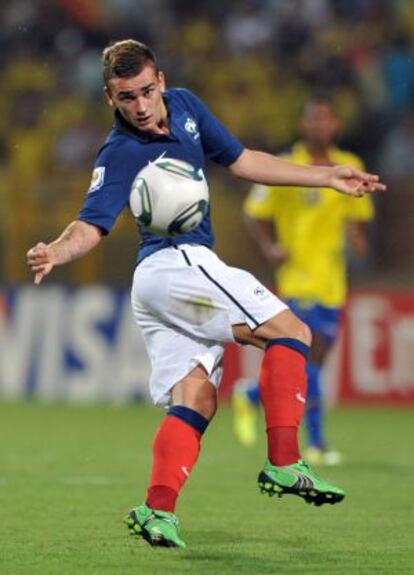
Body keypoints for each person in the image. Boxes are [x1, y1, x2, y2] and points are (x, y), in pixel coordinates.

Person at [26, 40, 385, 549]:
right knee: (292, 332)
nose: (141, 106)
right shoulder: (121, 151)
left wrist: (325, 176)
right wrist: (57, 252)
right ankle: (284, 462)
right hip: (177, 263)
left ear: (162, 82)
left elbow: (241, 161)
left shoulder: (189, 108)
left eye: (147, 91)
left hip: (158, 286)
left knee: (196, 397)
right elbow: (91, 222)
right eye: (127, 98)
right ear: (110, 98)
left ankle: (158, 511)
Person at [232, 95, 374, 465]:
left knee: (312, 364)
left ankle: (250, 395)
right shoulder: (286, 167)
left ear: (336, 126)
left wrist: (358, 237)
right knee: (308, 358)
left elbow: (356, 212)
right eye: (315, 119)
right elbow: (253, 211)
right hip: (298, 277)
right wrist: (270, 247)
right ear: (303, 125)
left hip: (332, 281)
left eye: (328, 119)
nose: (321, 125)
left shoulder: (351, 165)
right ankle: (316, 443)